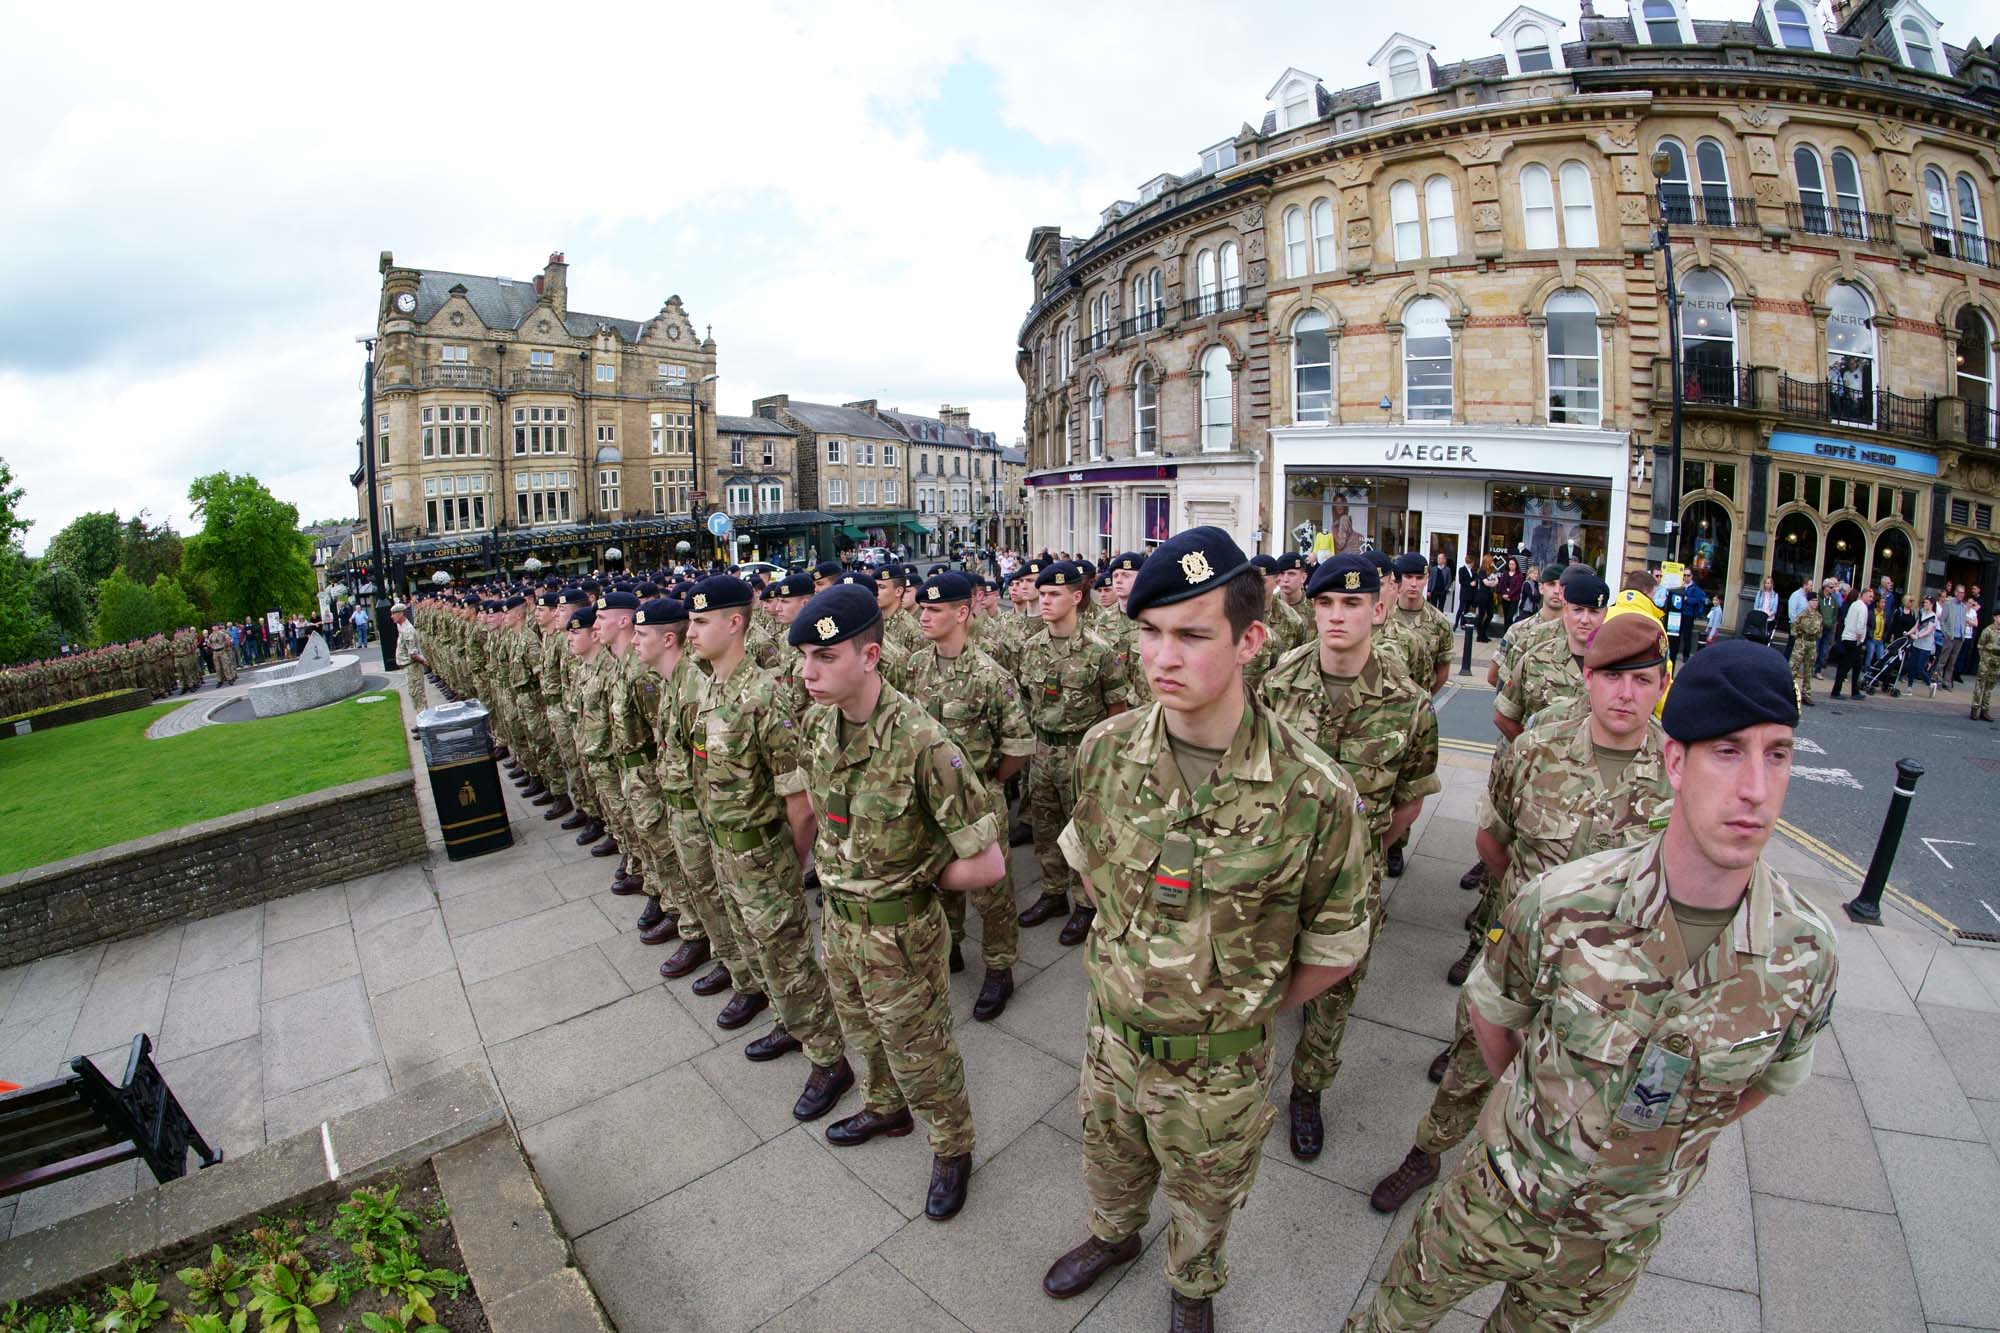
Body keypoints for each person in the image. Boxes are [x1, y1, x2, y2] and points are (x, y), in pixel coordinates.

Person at [1347, 640, 1837, 1332]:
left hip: (1610, 1244)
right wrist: (1540, 1105)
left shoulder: (1805, 953)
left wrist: (1666, 1134)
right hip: (1500, 1196)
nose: (1756, 787)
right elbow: (1493, 1012)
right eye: (1728, 751)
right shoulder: (1562, 904)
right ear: (1677, 760)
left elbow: (1762, 1081)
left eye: (1778, 753)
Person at [1041, 527, 1369, 1333]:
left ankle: (1192, 1287)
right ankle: (1113, 1237)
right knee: (1110, 1166)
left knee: (1206, 1197)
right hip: (1112, 1042)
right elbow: (1090, 868)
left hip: (1218, 1069)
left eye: (1191, 634)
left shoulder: (1315, 793)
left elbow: (1335, 947)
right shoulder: (1105, 750)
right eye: (1149, 631)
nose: (1162, 657)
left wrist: (1240, 1008)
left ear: (1250, 639)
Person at [1367, 611, 1675, 1218]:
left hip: (1613, 983)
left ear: (1663, 685)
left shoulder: (1680, 774)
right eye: (1613, 676)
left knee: (1584, 1093)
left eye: (1643, 680)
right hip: (1522, 955)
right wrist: (1533, 909)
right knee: (1470, 1060)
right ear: (1587, 677)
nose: (1626, 693)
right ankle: (1427, 1152)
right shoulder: (1536, 752)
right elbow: (1493, 842)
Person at [791, 582, 1006, 1221]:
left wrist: (919, 878)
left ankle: (953, 1145)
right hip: (841, 925)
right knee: (863, 1033)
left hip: (903, 935)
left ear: (871, 657)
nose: (808, 672)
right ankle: (886, 1109)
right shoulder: (817, 727)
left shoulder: (925, 744)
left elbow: (989, 861)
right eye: (804, 656)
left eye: (825, 658)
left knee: (924, 1050)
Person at [1258, 554, 1439, 1161]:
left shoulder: (1407, 702)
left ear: (1377, 610)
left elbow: (1412, 796)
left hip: (1352, 879)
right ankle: (1249, 1082)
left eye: (1352, 604)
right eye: (1326, 603)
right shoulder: (1276, 684)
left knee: (1335, 992)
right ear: (1312, 609)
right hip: (1277, 875)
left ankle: (1307, 1090)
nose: (1338, 616)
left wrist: (1365, 853)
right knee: (1261, 976)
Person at [686, 574, 854, 1122]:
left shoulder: (764, 695)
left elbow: (799, 801)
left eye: (700, 621)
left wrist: (789, 860)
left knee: (789, 957)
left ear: (734, 623)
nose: (690, 632)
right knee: (761, 952)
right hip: (724, 845)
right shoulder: (709, 687)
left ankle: (829, 1058)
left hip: (763, 852)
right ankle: (790, 1021)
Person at [904, 572, 1036, 1019]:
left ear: (961, 613)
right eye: (922, 608)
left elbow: (1018, 744)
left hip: (979, 802)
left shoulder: (989, 675)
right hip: (931, 803)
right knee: (940, 881)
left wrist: (991, 783)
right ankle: (951, 947)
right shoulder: (914, 667)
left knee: (993, 893)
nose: (923, 616)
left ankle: (1000, 968)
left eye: (934, 609)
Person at [1014, 561, 1134, 947]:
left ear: (1076, 597)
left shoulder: (1100, 651)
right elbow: (1027, 700)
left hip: (1082, 753)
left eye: (1053, 595)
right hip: (1042, 751)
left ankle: (1086, 903)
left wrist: (1103, 759)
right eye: (1042, 594)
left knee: (1084, 831)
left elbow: (1117, 709)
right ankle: (1052, 893)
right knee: (1046, 828)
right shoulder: (1031, 649)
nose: (1044, 601)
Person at [1830, 585, 1875, 700]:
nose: (1871, 599)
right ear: (1863, 594)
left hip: (1848, 638)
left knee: (1856, 666)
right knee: (1845, 666)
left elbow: (1846, 620)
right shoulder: (1863, 608)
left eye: (1872, 597)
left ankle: (1854, 691)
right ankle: (1837, 691)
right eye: (1870, 596)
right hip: (1853, 640)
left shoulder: (1854, 605)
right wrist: (1860, 640)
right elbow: (1860, 625)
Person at [1790, 589, 1822, 707]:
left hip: (1812, 643)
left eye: (1816, 601)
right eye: (1813, 600)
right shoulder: (1803, 614)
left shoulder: (1818, 616)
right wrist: (1799, 636)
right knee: (1793, 668)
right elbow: (1794, 627)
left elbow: (1820, 631)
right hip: (1801, 642)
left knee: (1809, 670)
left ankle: (1806, 694)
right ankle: (1789, 692)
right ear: (1808, 601)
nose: (1815, 603)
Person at [1973, 613, 2000, 723]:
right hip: (1986, 661)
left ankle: (1985, 710)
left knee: (1990, 687)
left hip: (1997, 663)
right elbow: (1980, 645)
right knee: (1980, 685)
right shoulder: (1988, 630)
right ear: (1995, 617)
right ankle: (1975, 708)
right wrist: (1984, 658)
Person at [390, 603, 423, 674]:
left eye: (394, 614)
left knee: (415, 685)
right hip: (408, 667)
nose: (392, 616)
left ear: (401, 614)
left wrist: (424, 662)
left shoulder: (408, 630)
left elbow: (413, 654)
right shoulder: (401, 626)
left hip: (412, 668)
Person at [1496, 556, 1525, 626]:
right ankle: (1505, 634)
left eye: (1513, 564)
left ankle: (1511, 631)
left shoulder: (1519, 575)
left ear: (1516, 565)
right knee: (1506, 618)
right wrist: (1503, 594)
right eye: (1510, 564)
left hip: (1514, 599)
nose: (1511, 566)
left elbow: (1517, 587)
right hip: (1504, 598)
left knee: (1509, 617)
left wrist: (1509, 595)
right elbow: (1501, 584)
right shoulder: (1505, 573)